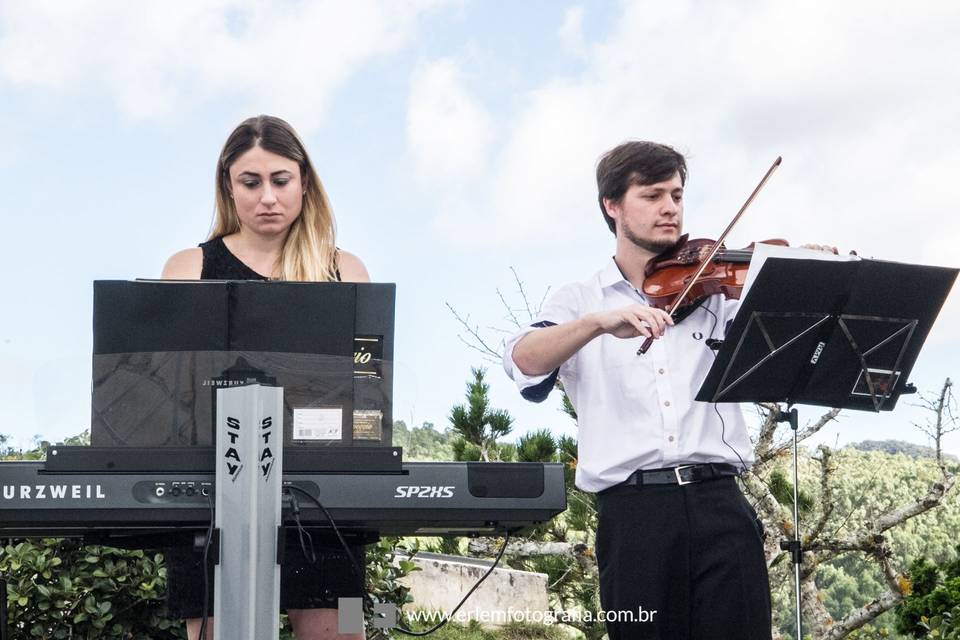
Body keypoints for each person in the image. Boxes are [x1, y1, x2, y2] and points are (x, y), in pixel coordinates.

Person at [503, 141, 835, 639]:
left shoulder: (715, 290)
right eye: (653, 195)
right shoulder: (579, 299)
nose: (670, 208)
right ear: (612, 206)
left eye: (677, 195)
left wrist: (813, 277)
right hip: (634, 516)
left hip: (722, 502)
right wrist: (597, 323)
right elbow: (522, 360)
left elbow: (799, 342)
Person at [162, 114, 368, 640]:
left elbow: (369, 386)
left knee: (344, 630)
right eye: (250, 183)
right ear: (228, 188)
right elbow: (169, 392)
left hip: (325, 496)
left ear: (304, 183)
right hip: (208, 497)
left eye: (281, 180)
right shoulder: (188, 267)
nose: (268, 197)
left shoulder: (346, 269)